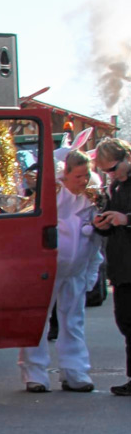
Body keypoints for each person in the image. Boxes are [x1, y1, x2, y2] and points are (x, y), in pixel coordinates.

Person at [23, 150, 101, 393]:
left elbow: (95, 239)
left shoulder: (90, 198)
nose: (83, 181)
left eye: (86, 175)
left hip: (75, 270)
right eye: (78, 176)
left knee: (74, 321)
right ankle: (34, 373)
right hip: (47, 269)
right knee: (39, 321)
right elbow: (30, 225)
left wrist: (91, 272)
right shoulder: (50, 195)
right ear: (65, 174)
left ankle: (75, 371)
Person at [94, 138, 131, 396]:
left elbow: (123, 219)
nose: (110, 174)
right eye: (105, 171)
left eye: (113, 168)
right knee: (126, 322)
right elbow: (112, 219)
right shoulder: (116, 186)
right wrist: (103, 224)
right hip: (121, 266)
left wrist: (125, 219)